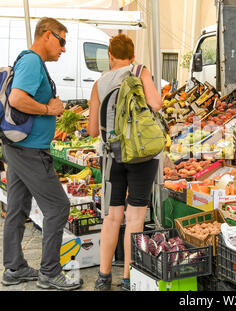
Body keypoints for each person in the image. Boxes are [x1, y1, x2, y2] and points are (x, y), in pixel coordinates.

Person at [1, 17, 83, 290]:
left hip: (19, 148)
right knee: (58, 207)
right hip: (29, 151)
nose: (63, 49)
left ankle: (14, 268)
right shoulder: (32, 62)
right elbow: (16, 99)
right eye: (62, 41)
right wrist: (50, 110)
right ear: (47, 35)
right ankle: (49, 272)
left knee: (17, 208)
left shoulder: (31, 62)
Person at [87, 34, 163, 291]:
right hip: (142, 155)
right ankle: (129, 279)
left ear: (109, 55)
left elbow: (92, 131)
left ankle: (103, 276)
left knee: (112, 217)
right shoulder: (140, 70)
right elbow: (156, 103)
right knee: (135, 219)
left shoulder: (99, 83)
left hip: (111, 156)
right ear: (132, 56)